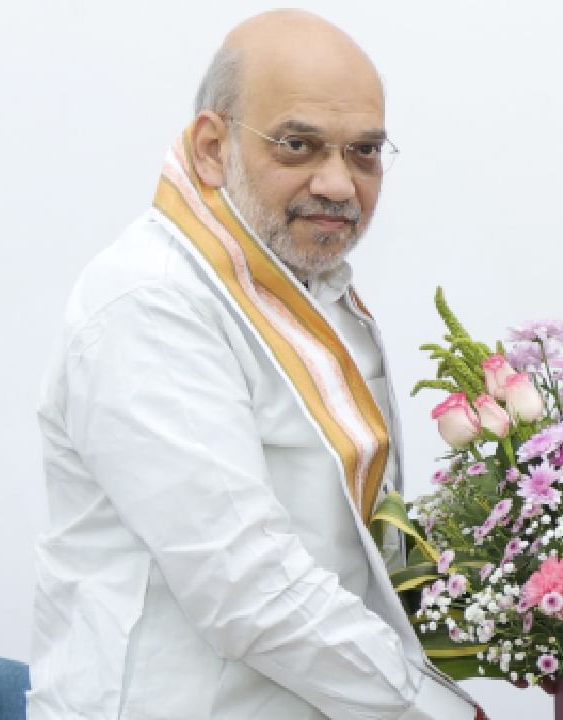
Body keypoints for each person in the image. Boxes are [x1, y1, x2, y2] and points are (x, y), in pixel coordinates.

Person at [29, 11, 482, 720]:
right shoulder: (152, 303)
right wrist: (445, 711)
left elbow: (355, 547)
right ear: (213, 146)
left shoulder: (308, 281)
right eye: (299, 145)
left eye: (364, 152)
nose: (339, 184)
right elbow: (250, 591)